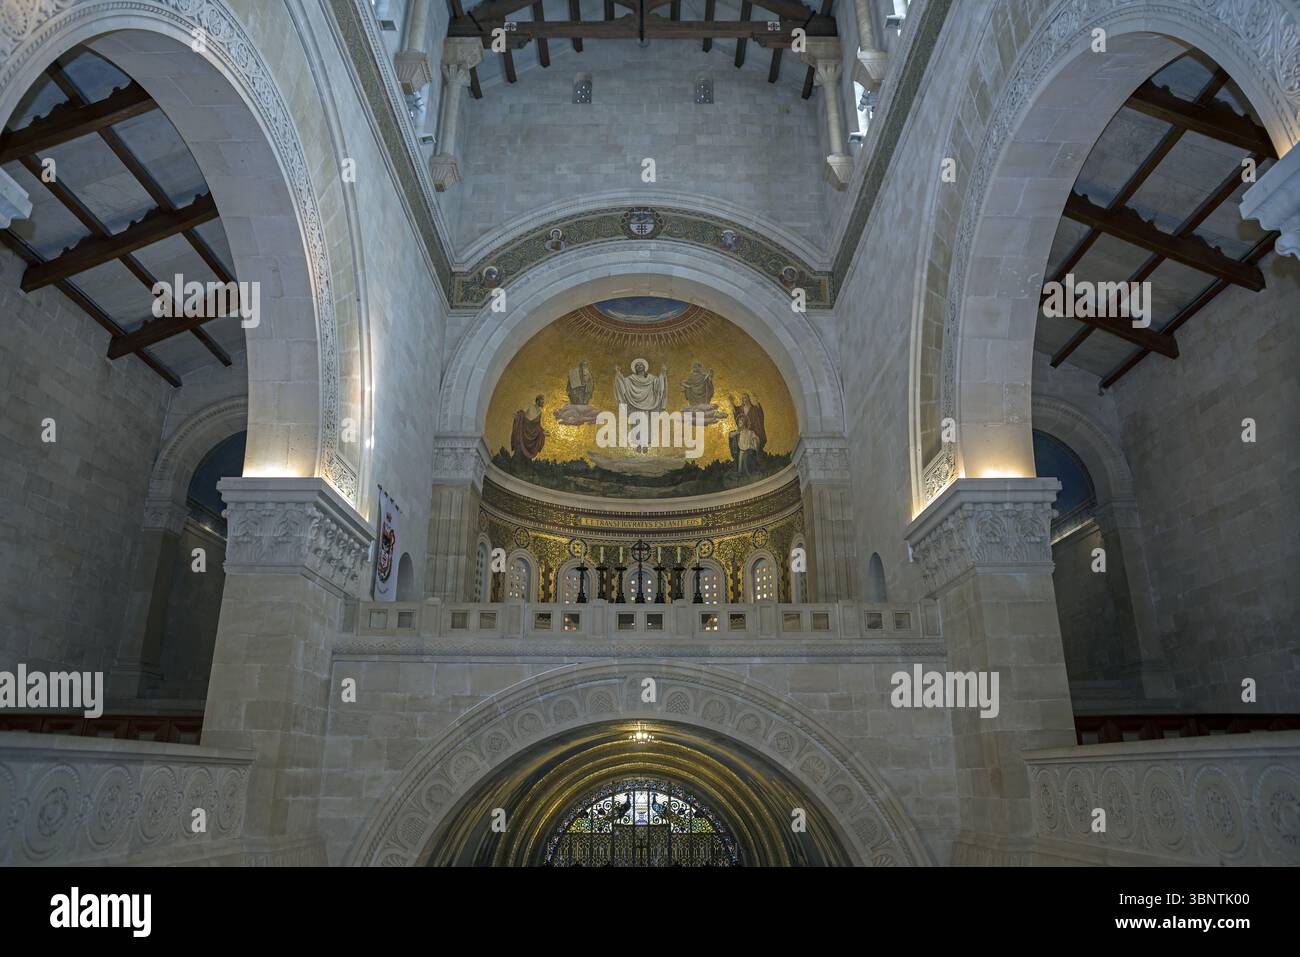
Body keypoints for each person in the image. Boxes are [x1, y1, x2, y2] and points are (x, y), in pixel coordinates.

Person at [511, 394, 546, 461]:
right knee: (519, 450)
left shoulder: (540, 412)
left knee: (527, 456)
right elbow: (522, 413)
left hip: (532, 434)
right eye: (542, 401)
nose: (543, 403)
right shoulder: (530, 406)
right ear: (538, 400)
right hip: (524, 431)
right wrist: (517, 416)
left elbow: (537, 425)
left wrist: (542, 431)